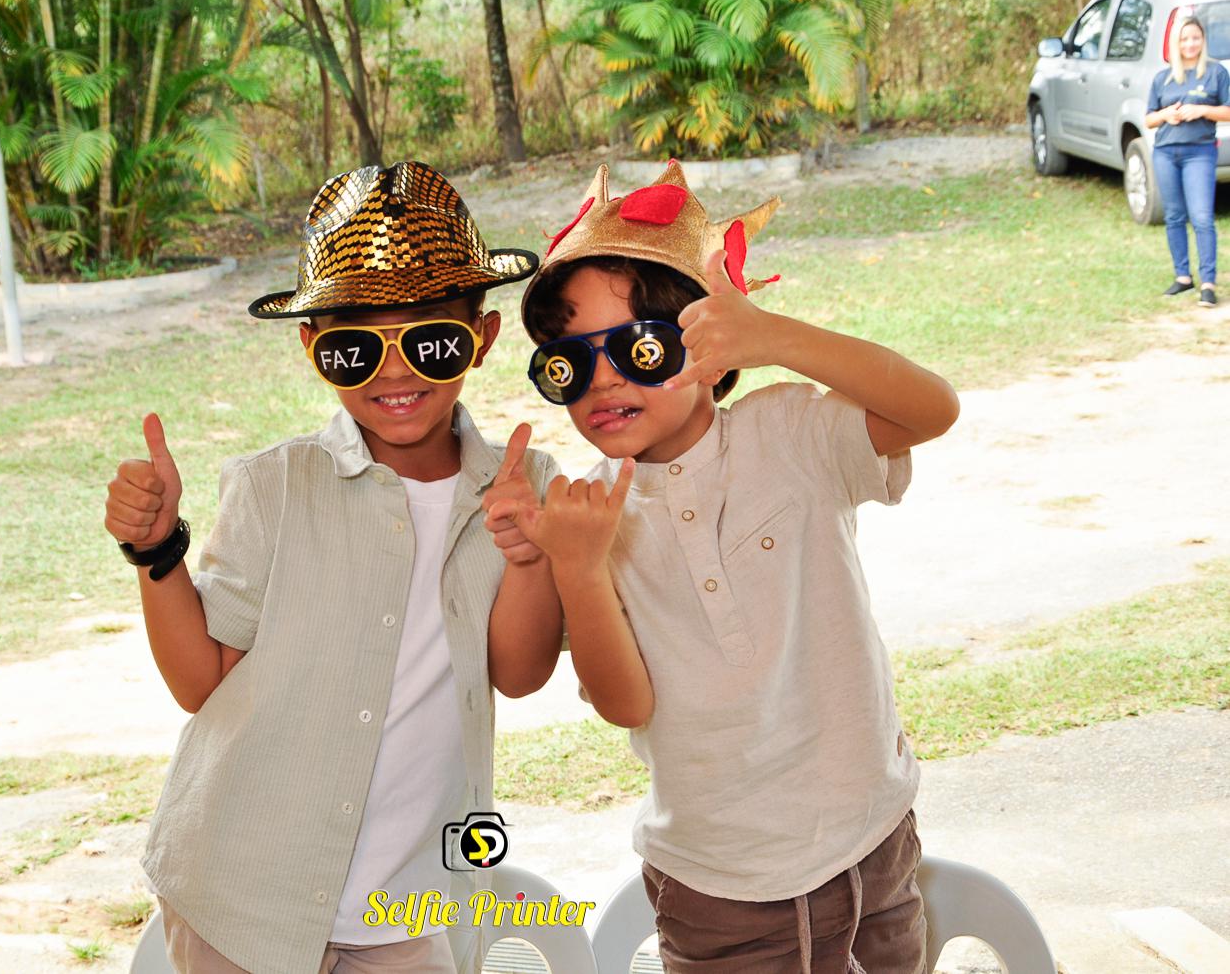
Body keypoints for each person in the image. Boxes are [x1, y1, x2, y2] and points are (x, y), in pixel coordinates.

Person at [489, 161, 961, 973]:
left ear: (711, 344)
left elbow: (933, 408)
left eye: (637, 347)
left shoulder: (790, 436)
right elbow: (625, 703)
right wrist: (574, 569)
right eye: (567, 362)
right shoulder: (589, 515)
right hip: (718, 886)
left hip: (871, 843)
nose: (603, 378)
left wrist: (776, 337)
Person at [103, 161, 564, 974]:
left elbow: (519, 675)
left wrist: (527, 556)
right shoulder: (273, 487)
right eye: (355, 347)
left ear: (482, 337)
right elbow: (203, 682)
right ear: (313, 347)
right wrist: (158, 552)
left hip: (408, 904)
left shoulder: (524, 490)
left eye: (430, 340)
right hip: (243, 895)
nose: (395, 372)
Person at [1145, 15, 1230, 307]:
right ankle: (1183, 277)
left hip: (1199, 152)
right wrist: (1166, 115)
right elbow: (1148, 119)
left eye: (1195, 38)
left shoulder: (1216, 72)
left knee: (1202, 217)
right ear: (1176, 43)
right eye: (1184, 39)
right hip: (1166, 153)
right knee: (1174, 216)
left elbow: (1228, 111)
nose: (1190, 44)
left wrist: (1201, 110)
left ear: (1203, 40)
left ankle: (1208, 283)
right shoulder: (1163, 78)